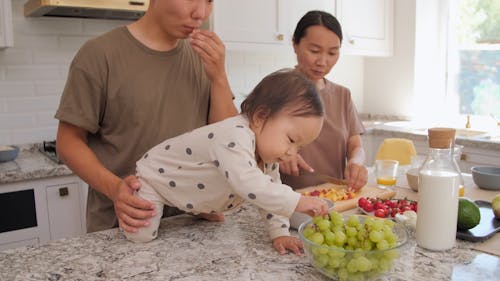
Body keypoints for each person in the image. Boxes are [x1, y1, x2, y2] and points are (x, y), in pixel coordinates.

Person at [55, 0, 238, 234]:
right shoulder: (99, 54)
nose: (200, 13)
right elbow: (68, 142)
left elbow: (229, 140)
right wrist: (116, 189)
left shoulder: (203, 58)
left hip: (190, 225)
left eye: (209, 1)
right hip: (123, 227)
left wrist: (219, 77)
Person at [124, 70, 329, 256]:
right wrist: (297, 201)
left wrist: (279, 233)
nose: (291, 153)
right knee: (141, 236)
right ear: (260, 116)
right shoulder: (234, 136)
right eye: (291, 140)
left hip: (189, 188)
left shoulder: (268, 155)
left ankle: (199, 207)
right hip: (155, 176)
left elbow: (270, 193)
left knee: (213, 204)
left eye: (299, 148)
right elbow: (251, 185)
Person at [280, 10, 368, 191]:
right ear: (295, 44)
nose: (323, 61)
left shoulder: (343, 95)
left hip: (335, 199)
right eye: (314, 51)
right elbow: (249, 144)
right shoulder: (275, 89)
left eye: (332, 53)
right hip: (288, 200)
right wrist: (281, 153)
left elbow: (355, 146)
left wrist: (356, 162)